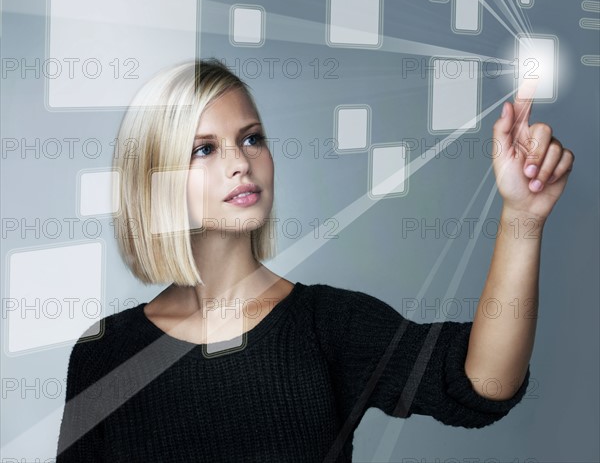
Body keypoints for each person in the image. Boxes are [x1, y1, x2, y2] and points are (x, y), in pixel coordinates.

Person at [55, 59, 574, 462]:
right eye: (204, 149)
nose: (240, 162)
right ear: (156, 178)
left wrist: (522, 217)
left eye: (251, 138)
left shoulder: (329, 326)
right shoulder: (105, 353)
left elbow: (484, 384)